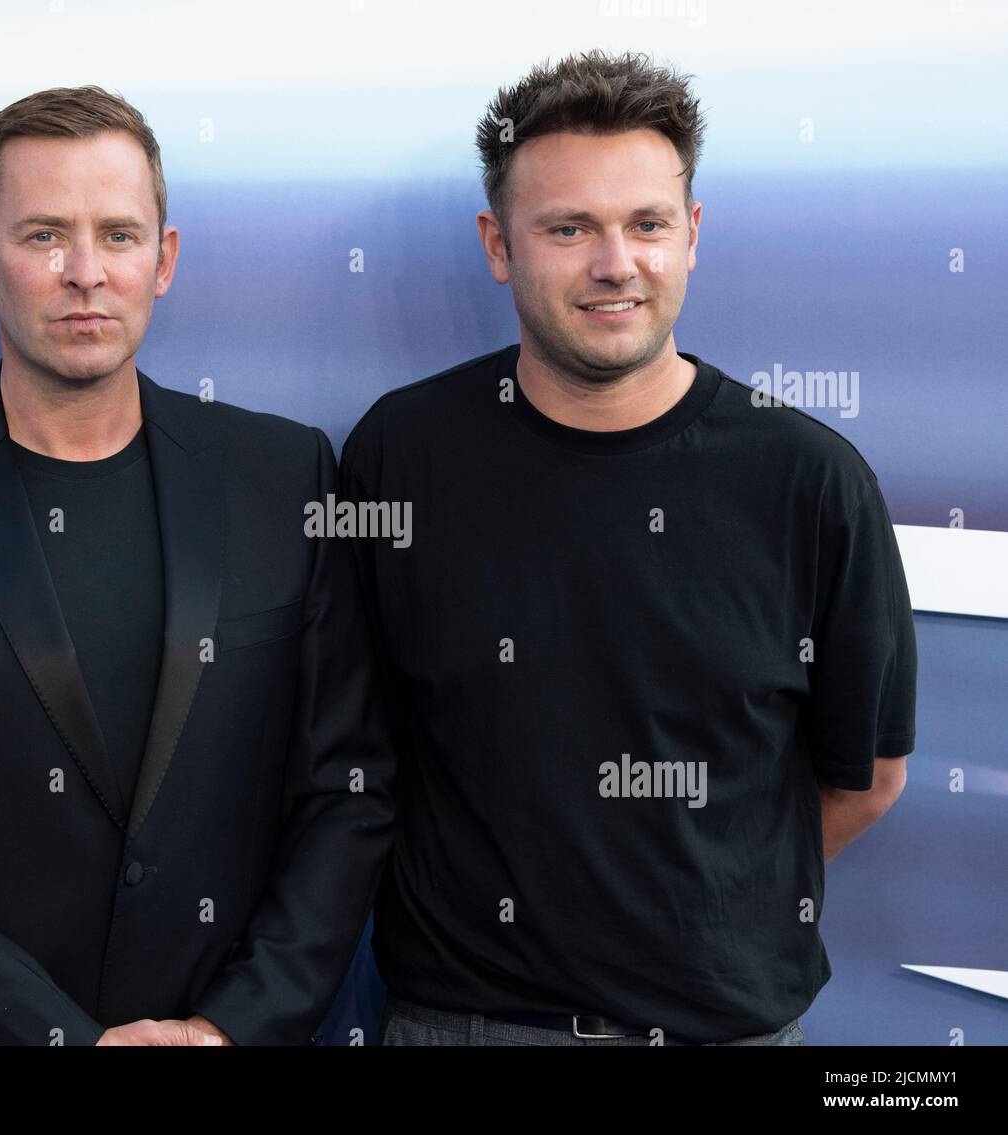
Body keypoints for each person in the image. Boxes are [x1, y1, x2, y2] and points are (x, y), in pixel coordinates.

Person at [0, 85, 394, 1046]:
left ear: (165, 259)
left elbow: (345, 795)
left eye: (118, 235)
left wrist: (228, 1029)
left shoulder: (283, 477)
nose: (85, 274)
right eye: (44, 236)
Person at [339, 50, 917, 1047]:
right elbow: (348, 751)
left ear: (691, 236)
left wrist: (707, 913)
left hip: (722, 1026)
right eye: (569, 228)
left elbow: (866, 775)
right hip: (463, 1022)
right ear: (497, 243)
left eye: (647, 223)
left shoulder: (810, 479)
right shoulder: (402, 454)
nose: (616, 263)